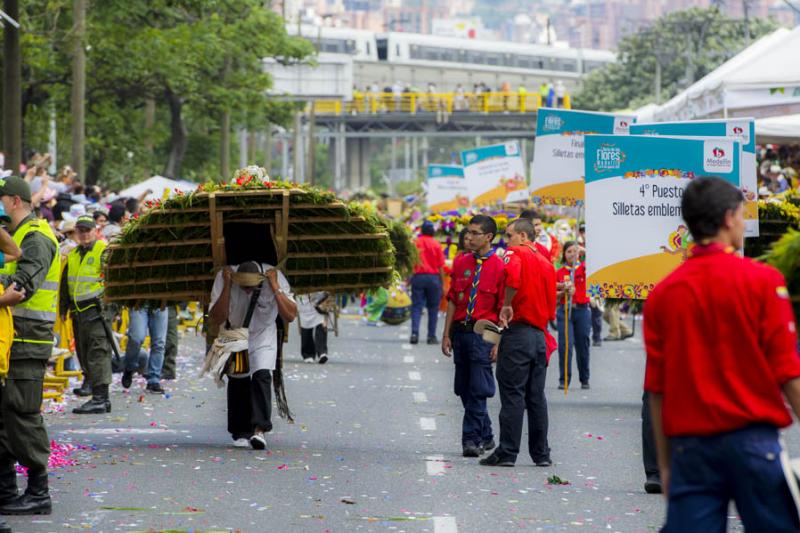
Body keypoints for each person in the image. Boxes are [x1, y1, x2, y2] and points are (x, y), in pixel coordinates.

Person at [645, 176, 800, 531]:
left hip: (691, 449)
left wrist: (665, 466)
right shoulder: (763, 280)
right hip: (753, 442)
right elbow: (788, 372)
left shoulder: (663, 294)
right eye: (743, 215)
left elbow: (657, 389)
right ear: (730, 218)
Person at [0, 176, 60, 515]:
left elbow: (22, 287)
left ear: (13, 201)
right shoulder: (17, 235)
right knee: (4, 415)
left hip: (27, 337)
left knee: (21, 412)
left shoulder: (36, 237)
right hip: (11, 338)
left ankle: (39, 491)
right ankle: (6, 489)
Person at [481, 218, 556, 468]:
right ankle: (541, 453)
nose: (506, 240)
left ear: (524, 236)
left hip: (520, 333)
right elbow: (551, 305)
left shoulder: (515, 253)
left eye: (509, 235)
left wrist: (507, 303)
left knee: (513, 394)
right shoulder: (546, 261)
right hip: (539, 336)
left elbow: (512, 278)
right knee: (536, 397)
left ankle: (508, 451)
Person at [209, 261, 297, 449]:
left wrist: (275, 287)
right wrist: (227, 285)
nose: (248, 291)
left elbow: (290, 315)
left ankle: (259, 430)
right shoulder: (224, 276)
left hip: (263, 334)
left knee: (262, 375)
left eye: (252, 287)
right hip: (235, 332)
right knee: (238, 378)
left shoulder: (276, 277)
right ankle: (240, 431)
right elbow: (216, 318)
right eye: (244, 287)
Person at [441, 215, 504, 458]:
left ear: (488, 237)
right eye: (468, 232)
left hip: (484, 333)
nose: (469, 237)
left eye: (475, 233)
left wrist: (497, 344)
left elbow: (501, 311)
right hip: (461, 333)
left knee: (478, 389)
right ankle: (486, 434)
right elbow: (453, 301)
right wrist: (446, 334)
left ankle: (471, 439)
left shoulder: (500, 267)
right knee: (463, 389)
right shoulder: (461, 262)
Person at [59, 215, 113, 414]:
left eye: (87, 230)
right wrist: (63, 308)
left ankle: (100, 398)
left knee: (98, 353)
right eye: (80, 230)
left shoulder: (103, 251)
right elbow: (66, 284)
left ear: (95, 231)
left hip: (96, 311)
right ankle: (97, 395)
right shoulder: (73, 254)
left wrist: (110, 308)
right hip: (78, 312)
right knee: (83, 352)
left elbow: (113, 281)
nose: (84, 234)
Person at [556, 241, 592, 390]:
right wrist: (563, 291)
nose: (572, 254)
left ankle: (584, 378)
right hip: (565, 310)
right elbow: (553, 293)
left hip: (582, 311)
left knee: (583, 345)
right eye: (569, 251)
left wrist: (584, 250)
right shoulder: (559, 272)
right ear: (564, 254)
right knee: (566, 345)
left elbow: (597, 262)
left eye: (574, 251)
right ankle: (564, 379)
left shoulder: (584, 268)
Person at [410, 221, 445, 345]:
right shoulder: (436, 244)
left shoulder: (416, 243)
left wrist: (408, 277)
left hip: (418, 277)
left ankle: (414, 333)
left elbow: (411, 261)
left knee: (416, 307)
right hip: (433, 278)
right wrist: (443, 283)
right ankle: (431, 336)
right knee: (433, 308)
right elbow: (441, 266)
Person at [121, 304, 168, 394]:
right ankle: (129, 367)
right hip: (139, 303)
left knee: (159, 343)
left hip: (160, 303)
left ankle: (154, 381)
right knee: (136, 338)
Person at [297, 292, 330, 364]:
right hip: (303, 300)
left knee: (321, 325)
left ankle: (322, 353)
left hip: (318, 299)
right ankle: (308, 354)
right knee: (306, 327)